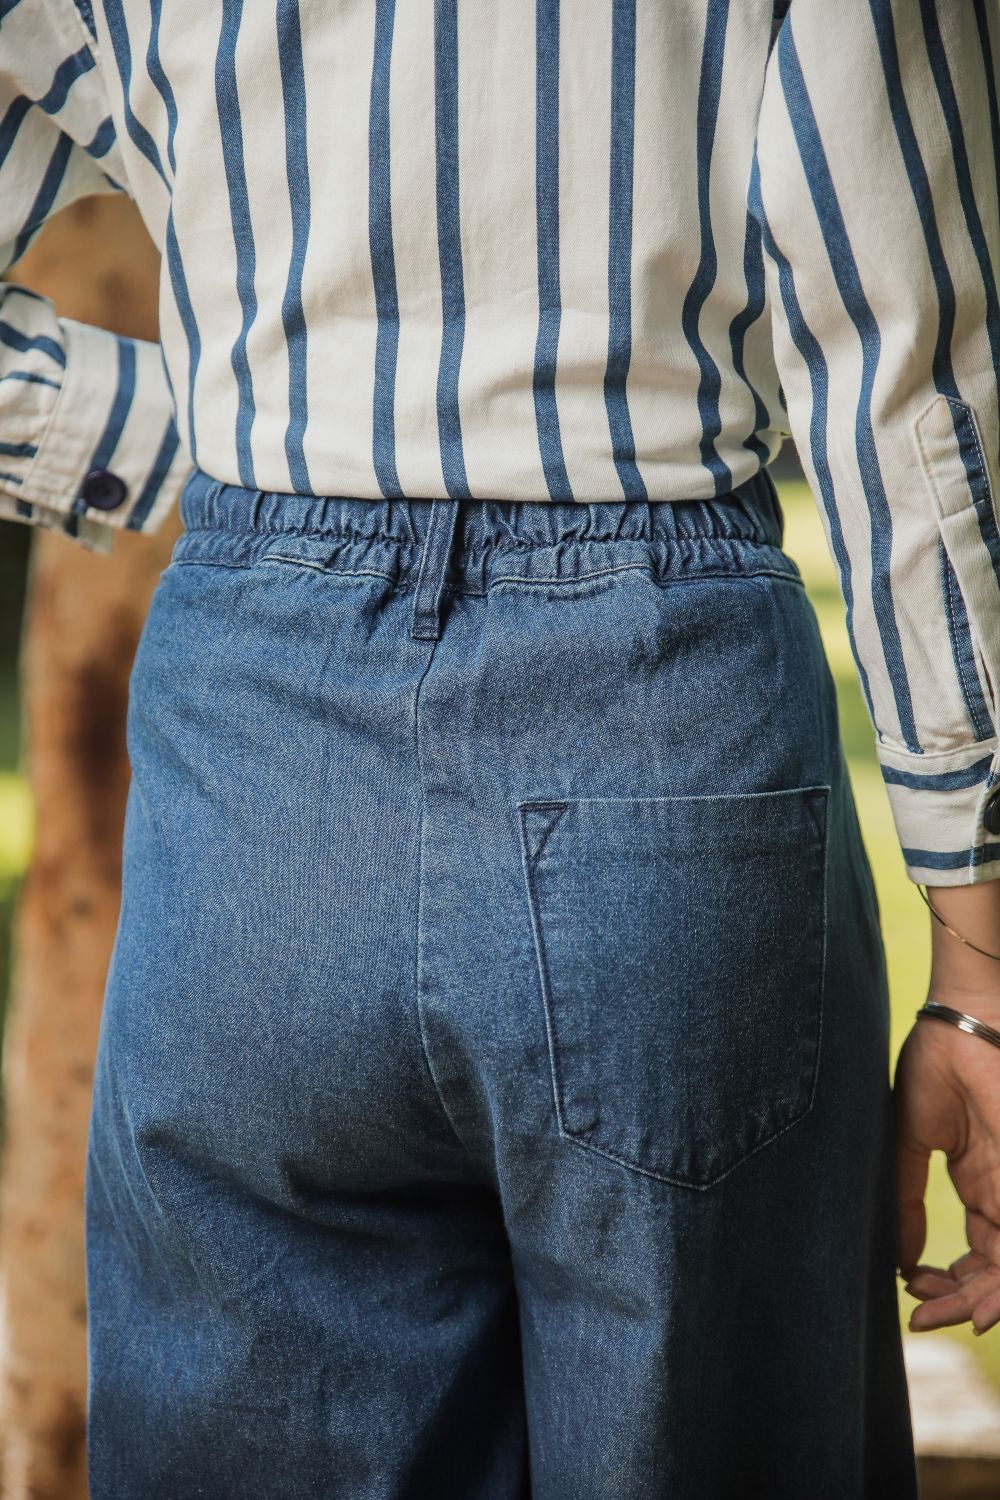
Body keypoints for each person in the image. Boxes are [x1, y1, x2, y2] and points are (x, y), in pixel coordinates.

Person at [1, 0, 998, 1494]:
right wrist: (981, 974)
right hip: (666, 730)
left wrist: (181, 436)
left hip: (256, 763)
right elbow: (911, 380)